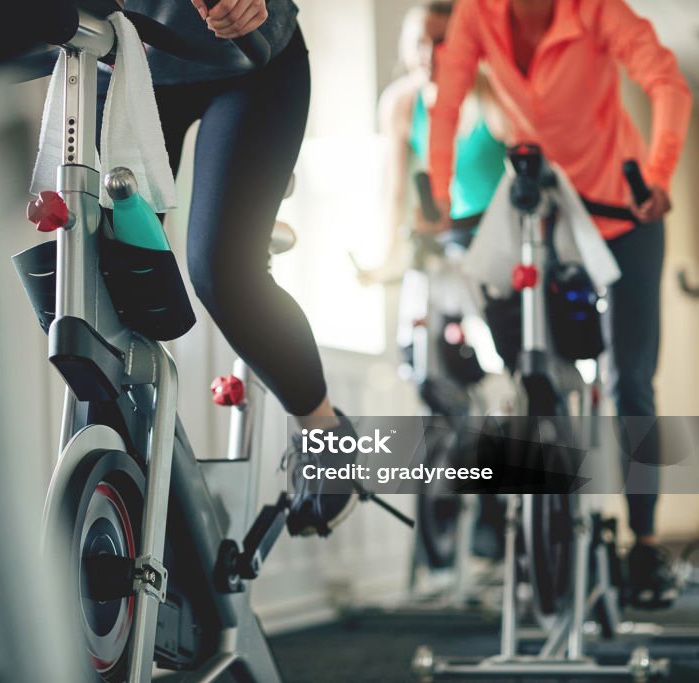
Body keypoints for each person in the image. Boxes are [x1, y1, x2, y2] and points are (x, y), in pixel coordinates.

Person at [427, 0, 692, 608]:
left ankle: (645, 542)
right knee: (527, 355)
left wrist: (658, 171)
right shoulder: (478, 16)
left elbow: (665, 80)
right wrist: (438, 190)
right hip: (543, 210)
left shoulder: (595, 11)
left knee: (631, 381)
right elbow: (447, 100)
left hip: (625, 213)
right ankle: (542, 502)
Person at [104, 0, 358, 535]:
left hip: (252, 58)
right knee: (108, 271)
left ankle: (325, 432)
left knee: (222, 270)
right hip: (128, 56)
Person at [373, 0, 507, 284]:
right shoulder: (401, 103)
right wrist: (388, 258)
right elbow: (395, 191)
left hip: (498, 235)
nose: (430, 55)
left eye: (443, 42)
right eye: (421, 43)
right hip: (446, 236)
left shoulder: (490, 94)